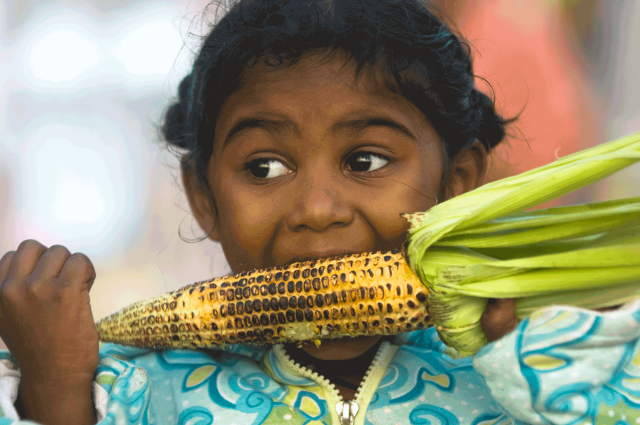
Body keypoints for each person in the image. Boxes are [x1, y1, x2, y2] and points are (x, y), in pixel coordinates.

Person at [1, 1, 639, 424]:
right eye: (264, 168)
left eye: (365, 161)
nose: (316, 209)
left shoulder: (539, 371)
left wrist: (542, 368)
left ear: (458, 183)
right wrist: (55, 389)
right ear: (205, 199)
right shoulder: (127, 395)